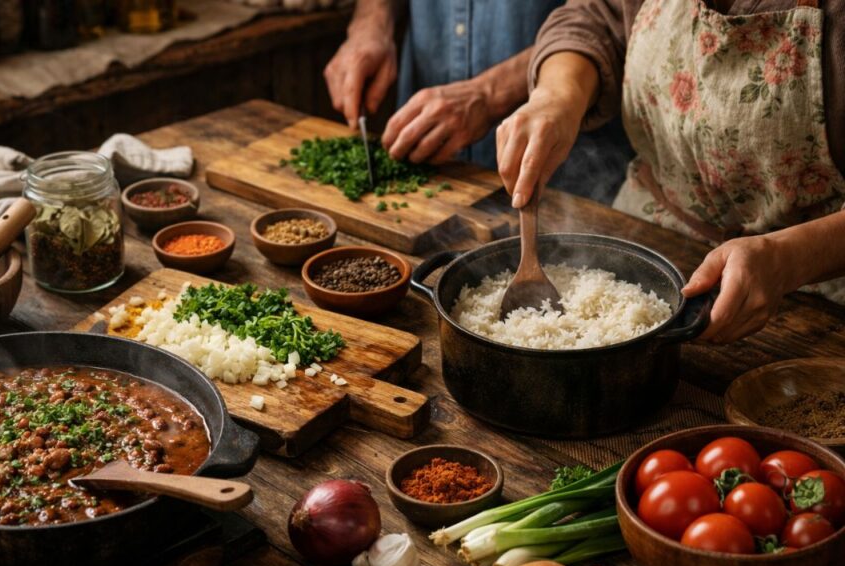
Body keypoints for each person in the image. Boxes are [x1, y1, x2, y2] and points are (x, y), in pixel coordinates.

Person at [496, 0, 845, 343]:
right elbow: (598, 16)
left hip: (814, 299)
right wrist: (558, 94)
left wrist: (788, 258)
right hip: (642, 237)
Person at [323, 0, 633, 204]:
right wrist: (371, 24)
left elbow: (603, 15)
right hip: (426, 144)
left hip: (565, 154)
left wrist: (489, 94)